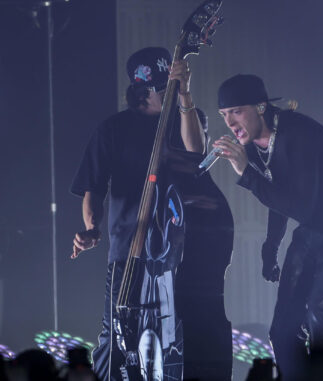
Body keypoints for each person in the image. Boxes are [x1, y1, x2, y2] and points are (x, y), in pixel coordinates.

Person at [70, 47, 234, 381]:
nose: (169, 94)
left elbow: (194, 152)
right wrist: (91, 228)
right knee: (115, 342)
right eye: (164, 89)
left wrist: (185, 93)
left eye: (171, 86)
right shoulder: (112, 129)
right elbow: (93, 188)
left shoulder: (188, 117)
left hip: (177, 254)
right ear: (142, 90)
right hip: (128, 250)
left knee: (177, 343)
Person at [212, 74, 323, 381]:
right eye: (224, 115)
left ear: (260, 107)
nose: (230, 123)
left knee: (322, 319)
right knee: (283, 329)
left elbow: (298, 204)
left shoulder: (298, 134)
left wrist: (246, 173)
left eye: (236, 111)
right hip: (314, 226)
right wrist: (270, 247)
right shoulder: (253, 145)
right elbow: (282, 194)